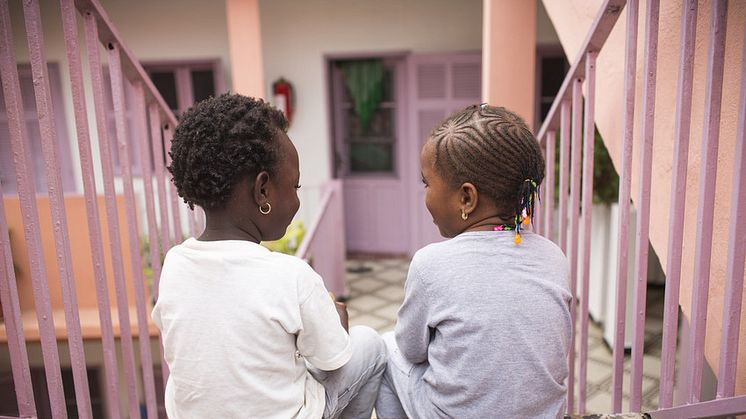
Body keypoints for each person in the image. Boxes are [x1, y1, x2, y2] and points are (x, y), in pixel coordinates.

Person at [152, 93, 386, 419]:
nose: (298, 200)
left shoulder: (175, 264)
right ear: (263, 190)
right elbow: (331, 359)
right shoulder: (291, 274)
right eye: (296, 186)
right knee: (370, 344)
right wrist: (337, 322)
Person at [375, 104, 572, 419]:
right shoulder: (554, 257)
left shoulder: (430, 264)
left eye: (427, 183)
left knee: (384, 350)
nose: (425, 195)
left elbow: (411, 349)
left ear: (466, 198)